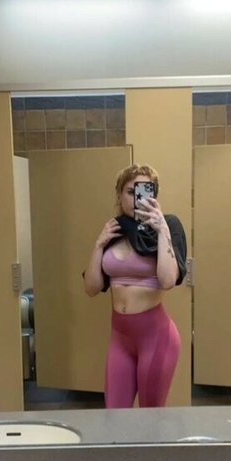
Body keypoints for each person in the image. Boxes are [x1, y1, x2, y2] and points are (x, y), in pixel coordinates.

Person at [83, 164, 187, 408]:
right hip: (120, 338)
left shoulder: (168, 225)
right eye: (130, 192)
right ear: (119, 194)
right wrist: (99, 245)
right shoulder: (114, 230)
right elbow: (91, 288)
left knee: (151, 415)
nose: (136, 198)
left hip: (156, 337)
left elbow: (168, 280)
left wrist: (162, 230)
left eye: (144, 191)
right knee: (114, 412)